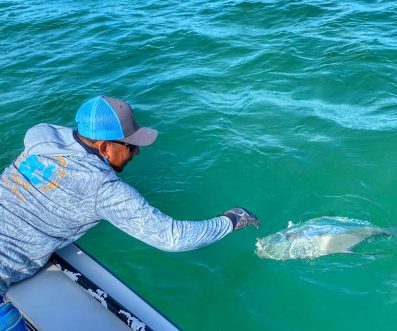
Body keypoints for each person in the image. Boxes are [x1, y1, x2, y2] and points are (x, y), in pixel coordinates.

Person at [0, 96, 259, 328]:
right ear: (103, 147)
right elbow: (173, 237)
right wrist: (231, 220)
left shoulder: (41, 136)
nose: (136, 150)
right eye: (129, 144)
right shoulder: (102, 188)